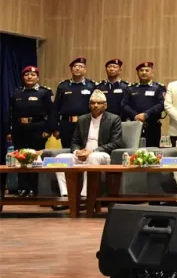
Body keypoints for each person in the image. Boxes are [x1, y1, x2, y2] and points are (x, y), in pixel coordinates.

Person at [55, 90, 123, 201]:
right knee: (60, 159)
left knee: (92, 157)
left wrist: (93, 151)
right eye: (92, 102)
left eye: (99, 103)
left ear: (105, 105)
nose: (95, 105)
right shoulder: (82, 119)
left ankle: (86, 196)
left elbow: (116, 143)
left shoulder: (114, 119)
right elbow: (75, 141)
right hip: (83, 154)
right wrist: (77, 152)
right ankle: (66, 196)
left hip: (102, 155)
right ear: (89, 105)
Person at [7, 66, 53, 197]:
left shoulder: (44, 92)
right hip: (19, 130)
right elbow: (11, 113)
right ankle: (23, 187)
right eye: (27, 74)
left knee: (35, 159)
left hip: (37, 129)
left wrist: (48, 130)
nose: (29, 77)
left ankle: (35, 188)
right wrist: (9, 131)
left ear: (37, 77)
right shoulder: (17, 93)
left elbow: (51, 112)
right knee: (20, 159)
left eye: (32, 75)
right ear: (23, 77)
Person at [54, 56, 96, 150]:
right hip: (66, 124)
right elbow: (56, 107)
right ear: (71, 69)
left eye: (80, 66)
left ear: (85, 70)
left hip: (85, 123)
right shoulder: (63, 86)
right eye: (75, 66)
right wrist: (56, 128)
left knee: (85, 149)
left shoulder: (91, 86)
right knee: (67, 150)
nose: (77, 68)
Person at [123, 61, 165, 148]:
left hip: (152, 126)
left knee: (152, 151)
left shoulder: (159, 88)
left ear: (152, 73)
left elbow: (162, 104)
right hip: (134, 125)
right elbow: (124, 104)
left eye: (147, 70)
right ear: (137, 73)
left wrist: (146, 114)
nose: (144, 73)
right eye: (141, 70)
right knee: (133, 150)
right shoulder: (131, 88)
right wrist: (135, 115)